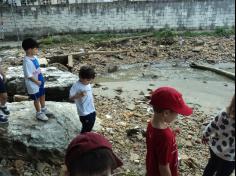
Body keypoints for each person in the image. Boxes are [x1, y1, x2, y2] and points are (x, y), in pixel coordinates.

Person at [146, 86, 193, 176]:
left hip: (152, 167)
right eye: (177, 113)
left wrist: (171, 133)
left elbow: (156, 145)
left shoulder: (151, 123)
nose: (177, 116)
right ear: (166, 113)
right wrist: (169, 136)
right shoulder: (165, 137)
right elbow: (163, 167)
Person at [202, 94, 235, 176]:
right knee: (223, 173)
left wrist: (205, 135)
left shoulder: (224, 112)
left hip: (215, 148)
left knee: (211, 166)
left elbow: (212, 125)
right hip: (230, 156)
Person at [22, 38, 50, 121]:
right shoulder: (26, 61)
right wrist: (37, 81)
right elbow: (29, 75)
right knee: (36, 98)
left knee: (42, 94)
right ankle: (39, 113)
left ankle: (43, 108)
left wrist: (41, 77)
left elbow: (37, 69)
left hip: (39, 80)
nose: (37, 50)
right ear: (30, 49)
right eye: (35, 48)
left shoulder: (34, 57)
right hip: (33, 83)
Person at [69, 66, 96, 133]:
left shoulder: (87, 83)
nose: (89, 82)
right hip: (84, 112)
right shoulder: (76, 86)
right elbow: (70, 97)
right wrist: (79, 95)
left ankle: (87, 136)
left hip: (92, 109)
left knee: (91, 124)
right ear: (81, 77)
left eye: (90, 80)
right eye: (88, 80)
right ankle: (82, 139)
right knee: (86, 128)